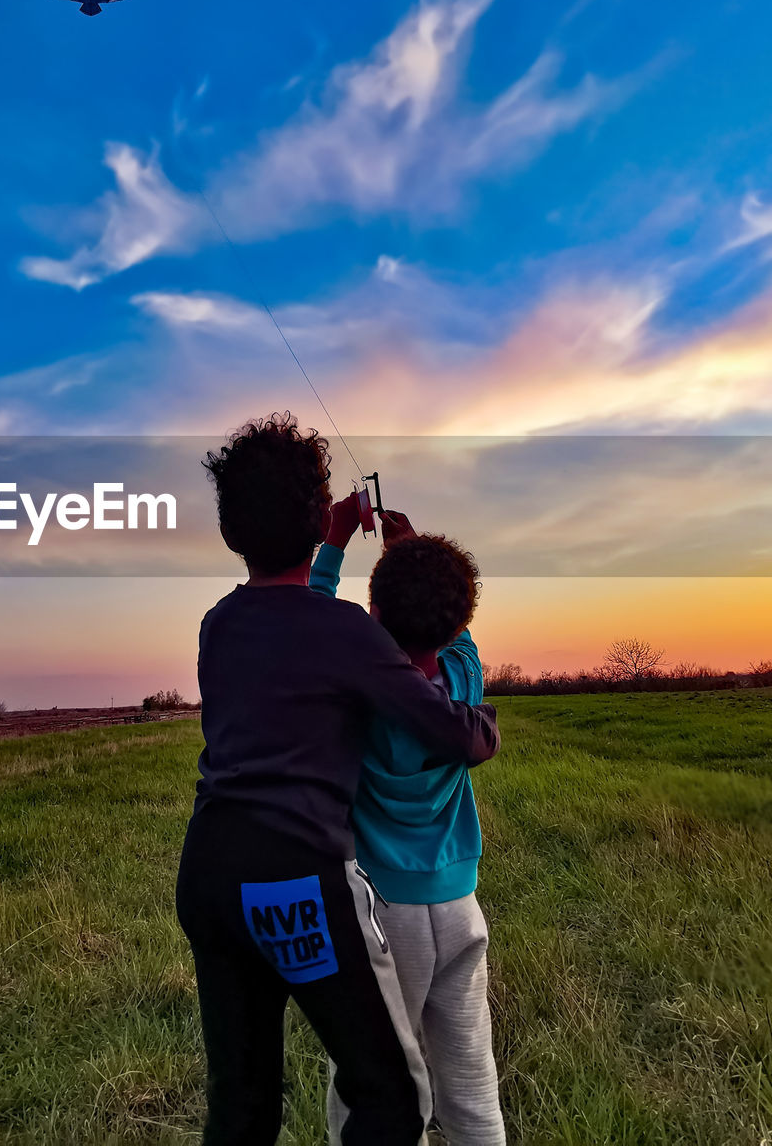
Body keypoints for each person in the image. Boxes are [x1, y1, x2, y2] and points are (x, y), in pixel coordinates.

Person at [176, 413, 500, 1145]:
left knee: (241, 1095)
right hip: (298, 878)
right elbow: (448, 722)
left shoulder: (218, 624)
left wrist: (332, 544)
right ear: (318, 510)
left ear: (232, 528)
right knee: (389, 1094)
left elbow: (299, 615)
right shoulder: (350, 634)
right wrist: (484, 725)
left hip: (208, 873)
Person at [311, 505, 506, 1145]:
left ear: (373, 619)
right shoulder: (464, 677)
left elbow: (312, 625)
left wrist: (336, 540)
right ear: (457, 623)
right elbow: (457, 631)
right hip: (458, 905)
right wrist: (411, 548)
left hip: (384, 914)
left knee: (377, 1082)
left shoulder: (358, 687)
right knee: (471, 1079)